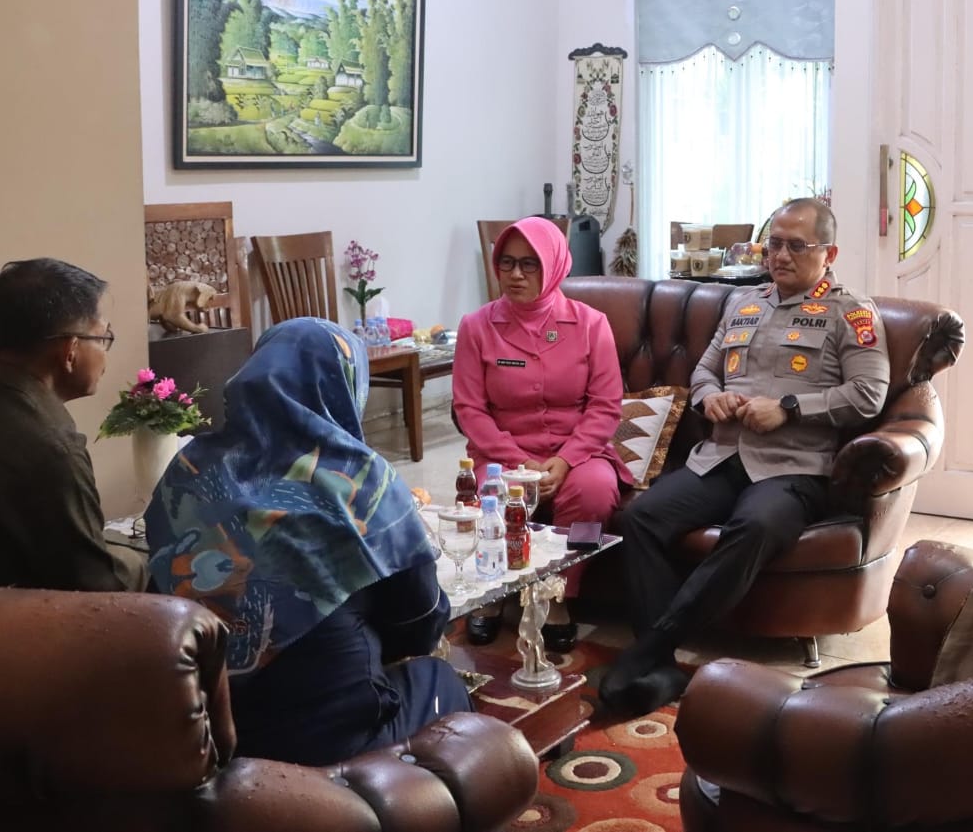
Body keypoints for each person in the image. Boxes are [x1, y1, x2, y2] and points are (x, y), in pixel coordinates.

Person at [598, 198, 892, 717]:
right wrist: (710, 397)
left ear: (829, 253)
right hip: (722, 456)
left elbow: (869, 394)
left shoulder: (852, 313)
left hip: (794, 467)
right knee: (642, 517)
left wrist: (790, 409)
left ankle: (649, 650)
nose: (780, 255)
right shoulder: (743, 302)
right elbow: (705, 370)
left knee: (755, 526)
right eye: (773, 244)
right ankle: (661, 666)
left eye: (796, 245)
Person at [144, 318, 470, 766]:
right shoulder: (360, 483)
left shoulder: (187, 471)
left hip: (211, 729)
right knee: (440, 678)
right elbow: (422, 621)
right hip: (333, 739)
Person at [452, 215, 627, 652]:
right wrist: (518, 461)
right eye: (507, 263)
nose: (515, 274)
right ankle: (494, 589)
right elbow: (469, 409)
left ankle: (556, 593)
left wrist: (566, 460)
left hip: (577, 451)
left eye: (529, 264)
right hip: (503, 451)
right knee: (491, 493)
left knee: (594, 493)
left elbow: (606, 405)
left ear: (553, 265)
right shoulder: (476, 326)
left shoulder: (591, 323)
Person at [0, 258, 148, 591]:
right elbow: (98, 586)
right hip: (29, 618)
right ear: (71, 351)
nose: (105, 351)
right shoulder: (55, 450)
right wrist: (147, 561)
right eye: (103, 337)